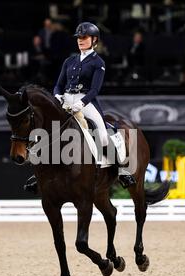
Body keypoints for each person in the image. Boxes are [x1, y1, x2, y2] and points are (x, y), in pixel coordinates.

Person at [24, 22, 136, 193]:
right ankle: (39, 173)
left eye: (84, 38)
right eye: (79, 38)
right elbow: (58, 85)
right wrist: (57, 96)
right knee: (45, 129)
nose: (80, 41)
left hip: (86, 102)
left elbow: (95, 89)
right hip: (66, 100)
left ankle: (121, 171)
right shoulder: (70, 60)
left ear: (94, 40)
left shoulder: (98, 62)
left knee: (103, 134)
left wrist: (81, 103)